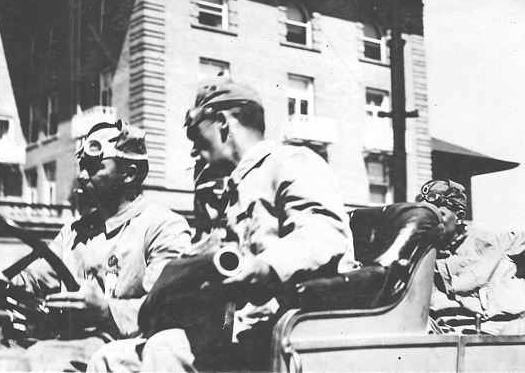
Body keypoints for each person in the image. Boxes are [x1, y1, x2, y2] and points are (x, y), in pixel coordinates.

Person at [89, 74, 358, 371]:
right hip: (237, 328)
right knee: (111, 359)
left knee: (165, 349)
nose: (193, 149)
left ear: (221, 122)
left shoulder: (290, 162)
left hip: (291, 327)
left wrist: (265, 266)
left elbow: (324, 233)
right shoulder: (233, 189)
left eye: (195, 134)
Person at [12, 120, 192, 371]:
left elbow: (167, 308)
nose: (82, 175)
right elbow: (34, 277)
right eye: (82, 166)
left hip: (124, 349)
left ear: (128, 174)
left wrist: (107, 309)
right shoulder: (73, 232)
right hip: (69, 343)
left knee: (40, 360)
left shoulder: (162, 226)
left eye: (94, 167)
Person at [417, 179, 525, 335]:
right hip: (449, 337)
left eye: (438, 214)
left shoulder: (493, 242)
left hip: (501, 334)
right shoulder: (419, 257)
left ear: (459, 217)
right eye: (424, 215)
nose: (429, 222)